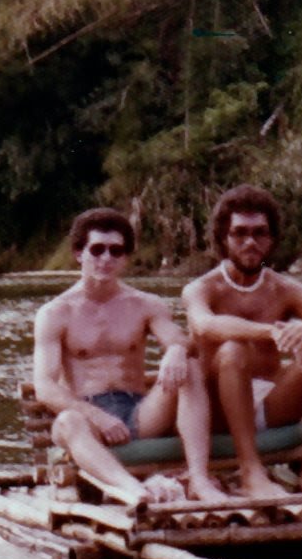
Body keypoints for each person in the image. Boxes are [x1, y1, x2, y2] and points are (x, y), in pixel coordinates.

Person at [32, 207, 216, 504]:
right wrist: (99, 418)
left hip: (141, 411)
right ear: (80, 253)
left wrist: (177, 350)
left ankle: (199, 479)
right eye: (97, 249)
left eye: (116, 251)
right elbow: (45, 387)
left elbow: (177, 339)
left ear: (125, 258)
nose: (106, 258)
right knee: (67, 422)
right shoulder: (55, 313)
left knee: (190, 367)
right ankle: (133, 489)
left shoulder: (146, 305)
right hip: (88, 414)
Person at [182, 185, 302, 500]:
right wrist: (271, 332)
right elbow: (206, 327)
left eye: (260, 233)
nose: (251, 242)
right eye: (240, 233)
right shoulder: (202, 288)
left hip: (272, 405)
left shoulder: (284, 288)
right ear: (223, 238)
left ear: (272, 239)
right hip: (219, 409)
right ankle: (251, 471)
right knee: (232, 349)